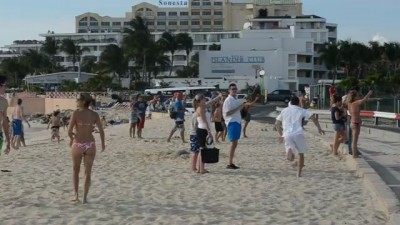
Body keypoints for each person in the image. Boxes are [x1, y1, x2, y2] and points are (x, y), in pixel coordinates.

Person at [68, 93, 105, 204]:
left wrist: (71, 138)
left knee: (75, 170)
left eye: (78, 99)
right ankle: (85, 197)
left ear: (83, 101)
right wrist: (103, 144)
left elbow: (69, 131)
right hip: (90, 145)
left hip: (78, 143)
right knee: (87, 173)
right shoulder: (94, 114)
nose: (76, 101)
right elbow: (101, 131)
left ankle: (75, 195)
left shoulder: (75, 113)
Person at [275, 97, 325, 177]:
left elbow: (277, 124)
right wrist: (319, 128)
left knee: (290, 156)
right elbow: (313, 118)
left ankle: (290, 151)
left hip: (287, 134)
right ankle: (298, 174)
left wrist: (281, 135)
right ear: (298, 103)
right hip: (298, 134)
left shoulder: (284, 110)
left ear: (290, 102)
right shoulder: (301, 110)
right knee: (301, 154)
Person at [222, 83, 249, 169]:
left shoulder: (235, 99)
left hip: (237, 122)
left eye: (235, 89)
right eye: (232, 89)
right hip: (231, 122)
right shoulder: (228, 100)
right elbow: (227, 113)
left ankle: (231, 162)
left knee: (235, 143)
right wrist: (239, 107)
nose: (234, 90)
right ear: (229, 90)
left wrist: (244, 104)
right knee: (233, 143)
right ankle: (230, 163)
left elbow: (242, 105)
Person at [194, 94, 221, 174]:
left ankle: (200, 168)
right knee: (203, 150)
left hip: (202, 129)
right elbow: (204, 120)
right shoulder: (201, 108)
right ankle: (202, 169)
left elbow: (211, 102)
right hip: (203, 130)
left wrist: (217, 97)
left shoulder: (202, 107)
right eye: (204, 99)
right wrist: (209, 131)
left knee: (201, 150)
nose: (205, 100)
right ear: (200, 100)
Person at [347, 90, 373, 158]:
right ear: (354, 97)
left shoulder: (350, 104)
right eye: (357, 95)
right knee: (355, 140)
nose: (358, 96)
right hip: (355, 123)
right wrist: (369, 93)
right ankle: (354, 155)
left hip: (354, 122)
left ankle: (355, 153)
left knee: (354, 139)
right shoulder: (355, 103)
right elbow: (364, 100)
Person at [0, 76, 11, 155]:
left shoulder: (4, 102)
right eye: (5, 85)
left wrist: (8, 140)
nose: (6, 88)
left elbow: (4, 122)